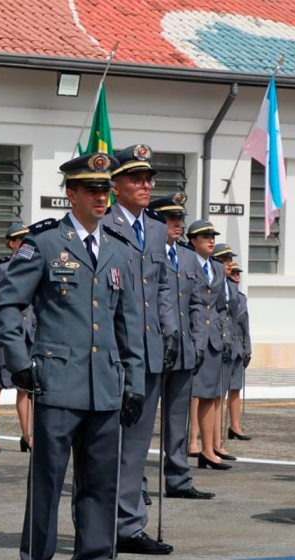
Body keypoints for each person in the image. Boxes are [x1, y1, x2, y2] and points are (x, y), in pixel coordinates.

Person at [0, 152, 145, 560]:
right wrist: (20, 362)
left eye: (105, 190)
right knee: (46, 484)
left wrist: (136, 383)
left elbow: (128, 322)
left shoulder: (118, 249)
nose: (101, 198)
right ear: (71, 194)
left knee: (100, 485)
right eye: (92, 190)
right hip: (57, 383)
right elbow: (7, 308)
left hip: (105, 387)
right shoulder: (44, 243)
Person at [99, 144, 178, 555]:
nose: (146, 185)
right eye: (136, 178)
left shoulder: (158, 229)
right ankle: (96, 526)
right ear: (115, 185)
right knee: (101, 444)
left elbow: (162, 285)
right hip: (110, 351)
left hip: (147, 351)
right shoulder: (103, 222)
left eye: (149, 179)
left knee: (134, 446)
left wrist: (170, 332)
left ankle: (128, 526)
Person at [147, 194, 215, 500]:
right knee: (142, 422)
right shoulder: (147, 253)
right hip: (153, 348)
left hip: (185, 350)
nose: (177, 224)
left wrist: (198, 342)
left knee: (178, 419)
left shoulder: (187, 257)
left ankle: (178, 478)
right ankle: (135, 485)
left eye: (179, 219)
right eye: (170, 218)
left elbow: (199, 303)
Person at [0, 223, 34, 453]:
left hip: (30, 333)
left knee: (26, 388)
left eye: (27, 239)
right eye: (20, 240)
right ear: (11, 244)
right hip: (6, 333)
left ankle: (28, 434)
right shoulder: (4, 267)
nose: (24, 244)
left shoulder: (36, 264)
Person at [185, 220, 231, 470]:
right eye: (205, 238)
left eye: (212, 237)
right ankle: (194, 444)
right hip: (195, 334)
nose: (211, 241)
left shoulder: (215, 266)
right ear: (193, 241)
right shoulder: (187, 261)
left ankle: (209, 448)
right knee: (198, 394)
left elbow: (221, 305)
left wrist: (223, 335)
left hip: (214, 337)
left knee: (213, 395)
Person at [210, 243, 240, 462]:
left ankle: (217, 443)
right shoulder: (215, 283)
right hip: (214, 340)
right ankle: (203, 444)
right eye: (225, 260)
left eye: (230, 260)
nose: (229, 264)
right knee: (208, 397)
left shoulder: (230, 285)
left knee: (220, 396)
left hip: (227, 342)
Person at [227, 262, 252, 440]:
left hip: (237, 348)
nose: (237, 276)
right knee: (217, 394)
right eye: (233, 273)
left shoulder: (242, 298)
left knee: (235, 389)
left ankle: (235, 426)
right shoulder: (221, 294)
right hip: (223, 346)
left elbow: (245, 327)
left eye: (238, 274)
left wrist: (247, 350)